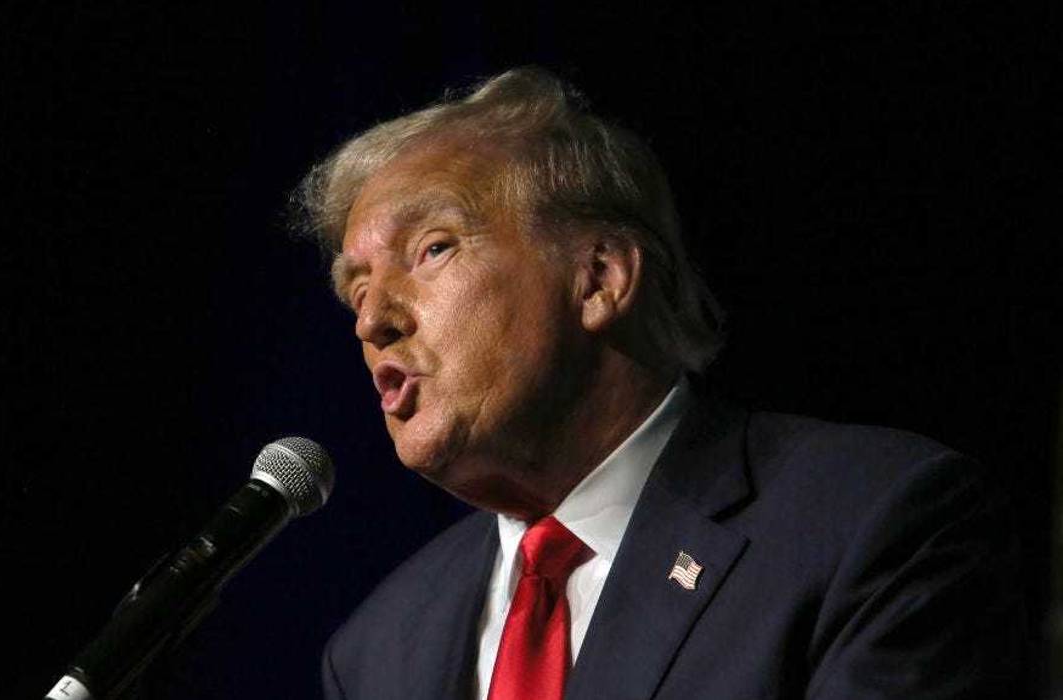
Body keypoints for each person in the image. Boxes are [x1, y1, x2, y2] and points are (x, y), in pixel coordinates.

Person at [291, 67, 1025, 699]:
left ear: (600, 279)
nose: (372, 321)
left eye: (431, 250)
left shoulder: (870, 523)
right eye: (354, 291)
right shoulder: (374, 650)